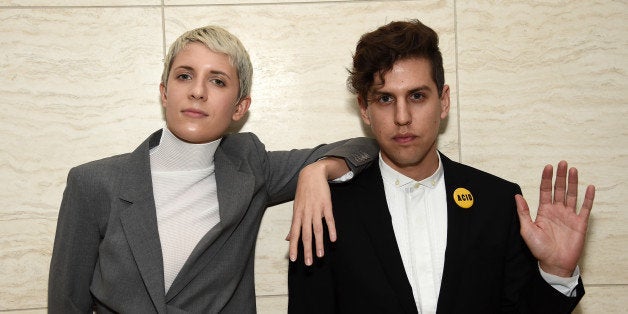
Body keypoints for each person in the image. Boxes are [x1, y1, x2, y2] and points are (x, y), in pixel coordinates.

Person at [48, 25, 378, 313]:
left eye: (217, 81)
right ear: (165, 93)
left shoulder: (252, 167)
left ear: (240, 107)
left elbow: (369, 145)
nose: (197, 91)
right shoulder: (92, 183)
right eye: (184, 76)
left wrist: (316, 170)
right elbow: (67, 304)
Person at [288, 19, 596, 313]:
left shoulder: (498, 203)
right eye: (384, 99)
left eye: (418, 96)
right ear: (364, 110)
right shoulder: (325, 210)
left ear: (444, 101)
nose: (402, 117)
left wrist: (555, 272)